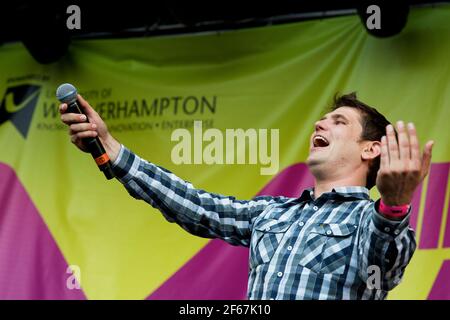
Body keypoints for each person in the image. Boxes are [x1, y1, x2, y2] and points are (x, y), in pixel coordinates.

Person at [59, 92, 433, 300]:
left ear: (370, 150)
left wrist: (394, 206)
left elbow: (384, 269)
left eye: (339, 122)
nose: (320, 123)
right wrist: (111, 148)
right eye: (323, 119)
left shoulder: (370, 220)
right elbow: (196, 206)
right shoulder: (272, 214)